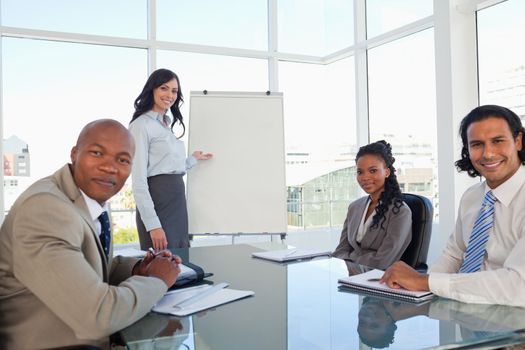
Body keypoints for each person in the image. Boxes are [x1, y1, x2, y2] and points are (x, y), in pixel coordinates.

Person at [0, 119, 182, 349]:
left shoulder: (89, 197)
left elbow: (89, 262)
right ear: (74, 154)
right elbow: (97, 316)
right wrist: (157, 280)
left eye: (123, 160)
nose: (110, 167)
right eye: (97, 153)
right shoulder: (45, 209)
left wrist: (137, 269)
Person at [381, 104, 525, 307]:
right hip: (467, 315)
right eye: (476, 144)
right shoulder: (472, 197)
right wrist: (419, 293)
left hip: (515, 324)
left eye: (498, 141)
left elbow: (519, 286)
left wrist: (425, 281)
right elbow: (454, 255)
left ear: (517, 141)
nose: (488, 154)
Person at [129, 68, 212, 251]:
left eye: (174, 91)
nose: (170, 95)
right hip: (159, 202)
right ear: (152, 90)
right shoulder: (141, 125)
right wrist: (153, 224)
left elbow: (168, 166)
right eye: (164, 88)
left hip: (176, 201)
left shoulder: (165, 124)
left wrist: (192, 159)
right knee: (161, 265)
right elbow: (139, 180)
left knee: (180, 262)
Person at [333, 140, 412, 270]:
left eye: (373, 170)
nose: (365, 177)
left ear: (386, 172)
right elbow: (341, 250)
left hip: (379, 281)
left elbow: (383, 261)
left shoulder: (400, 212)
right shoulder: (354, 207)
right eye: (360, 172)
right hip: (351, 278)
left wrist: (351, 260)